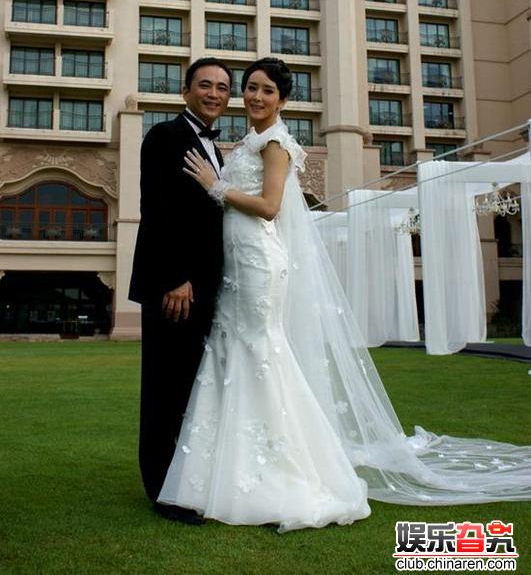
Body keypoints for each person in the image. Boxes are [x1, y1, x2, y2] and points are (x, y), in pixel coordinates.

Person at [158, 57, 531, 533]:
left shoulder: (276, 144)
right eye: (250, 88)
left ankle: (285, 473)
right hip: (235, 263)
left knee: (259, 351)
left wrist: (217, 187)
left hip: (257, 262)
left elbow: (270, 207)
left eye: (267, 90)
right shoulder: (248, 141)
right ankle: (226, 470)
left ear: (283, 100)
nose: (255, 96)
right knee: (234, 353)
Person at [129, 57, 232, 524]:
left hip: (206, 288)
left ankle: (186, 479)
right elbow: (158, 209)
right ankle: (163, 491)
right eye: (205, 85)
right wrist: (174, 277)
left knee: (192, 388)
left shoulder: (215, 151)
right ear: (185, 91)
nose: (214, 93)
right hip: (175, 288)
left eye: (222, 87)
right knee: (165, 388)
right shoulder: (164, 136)